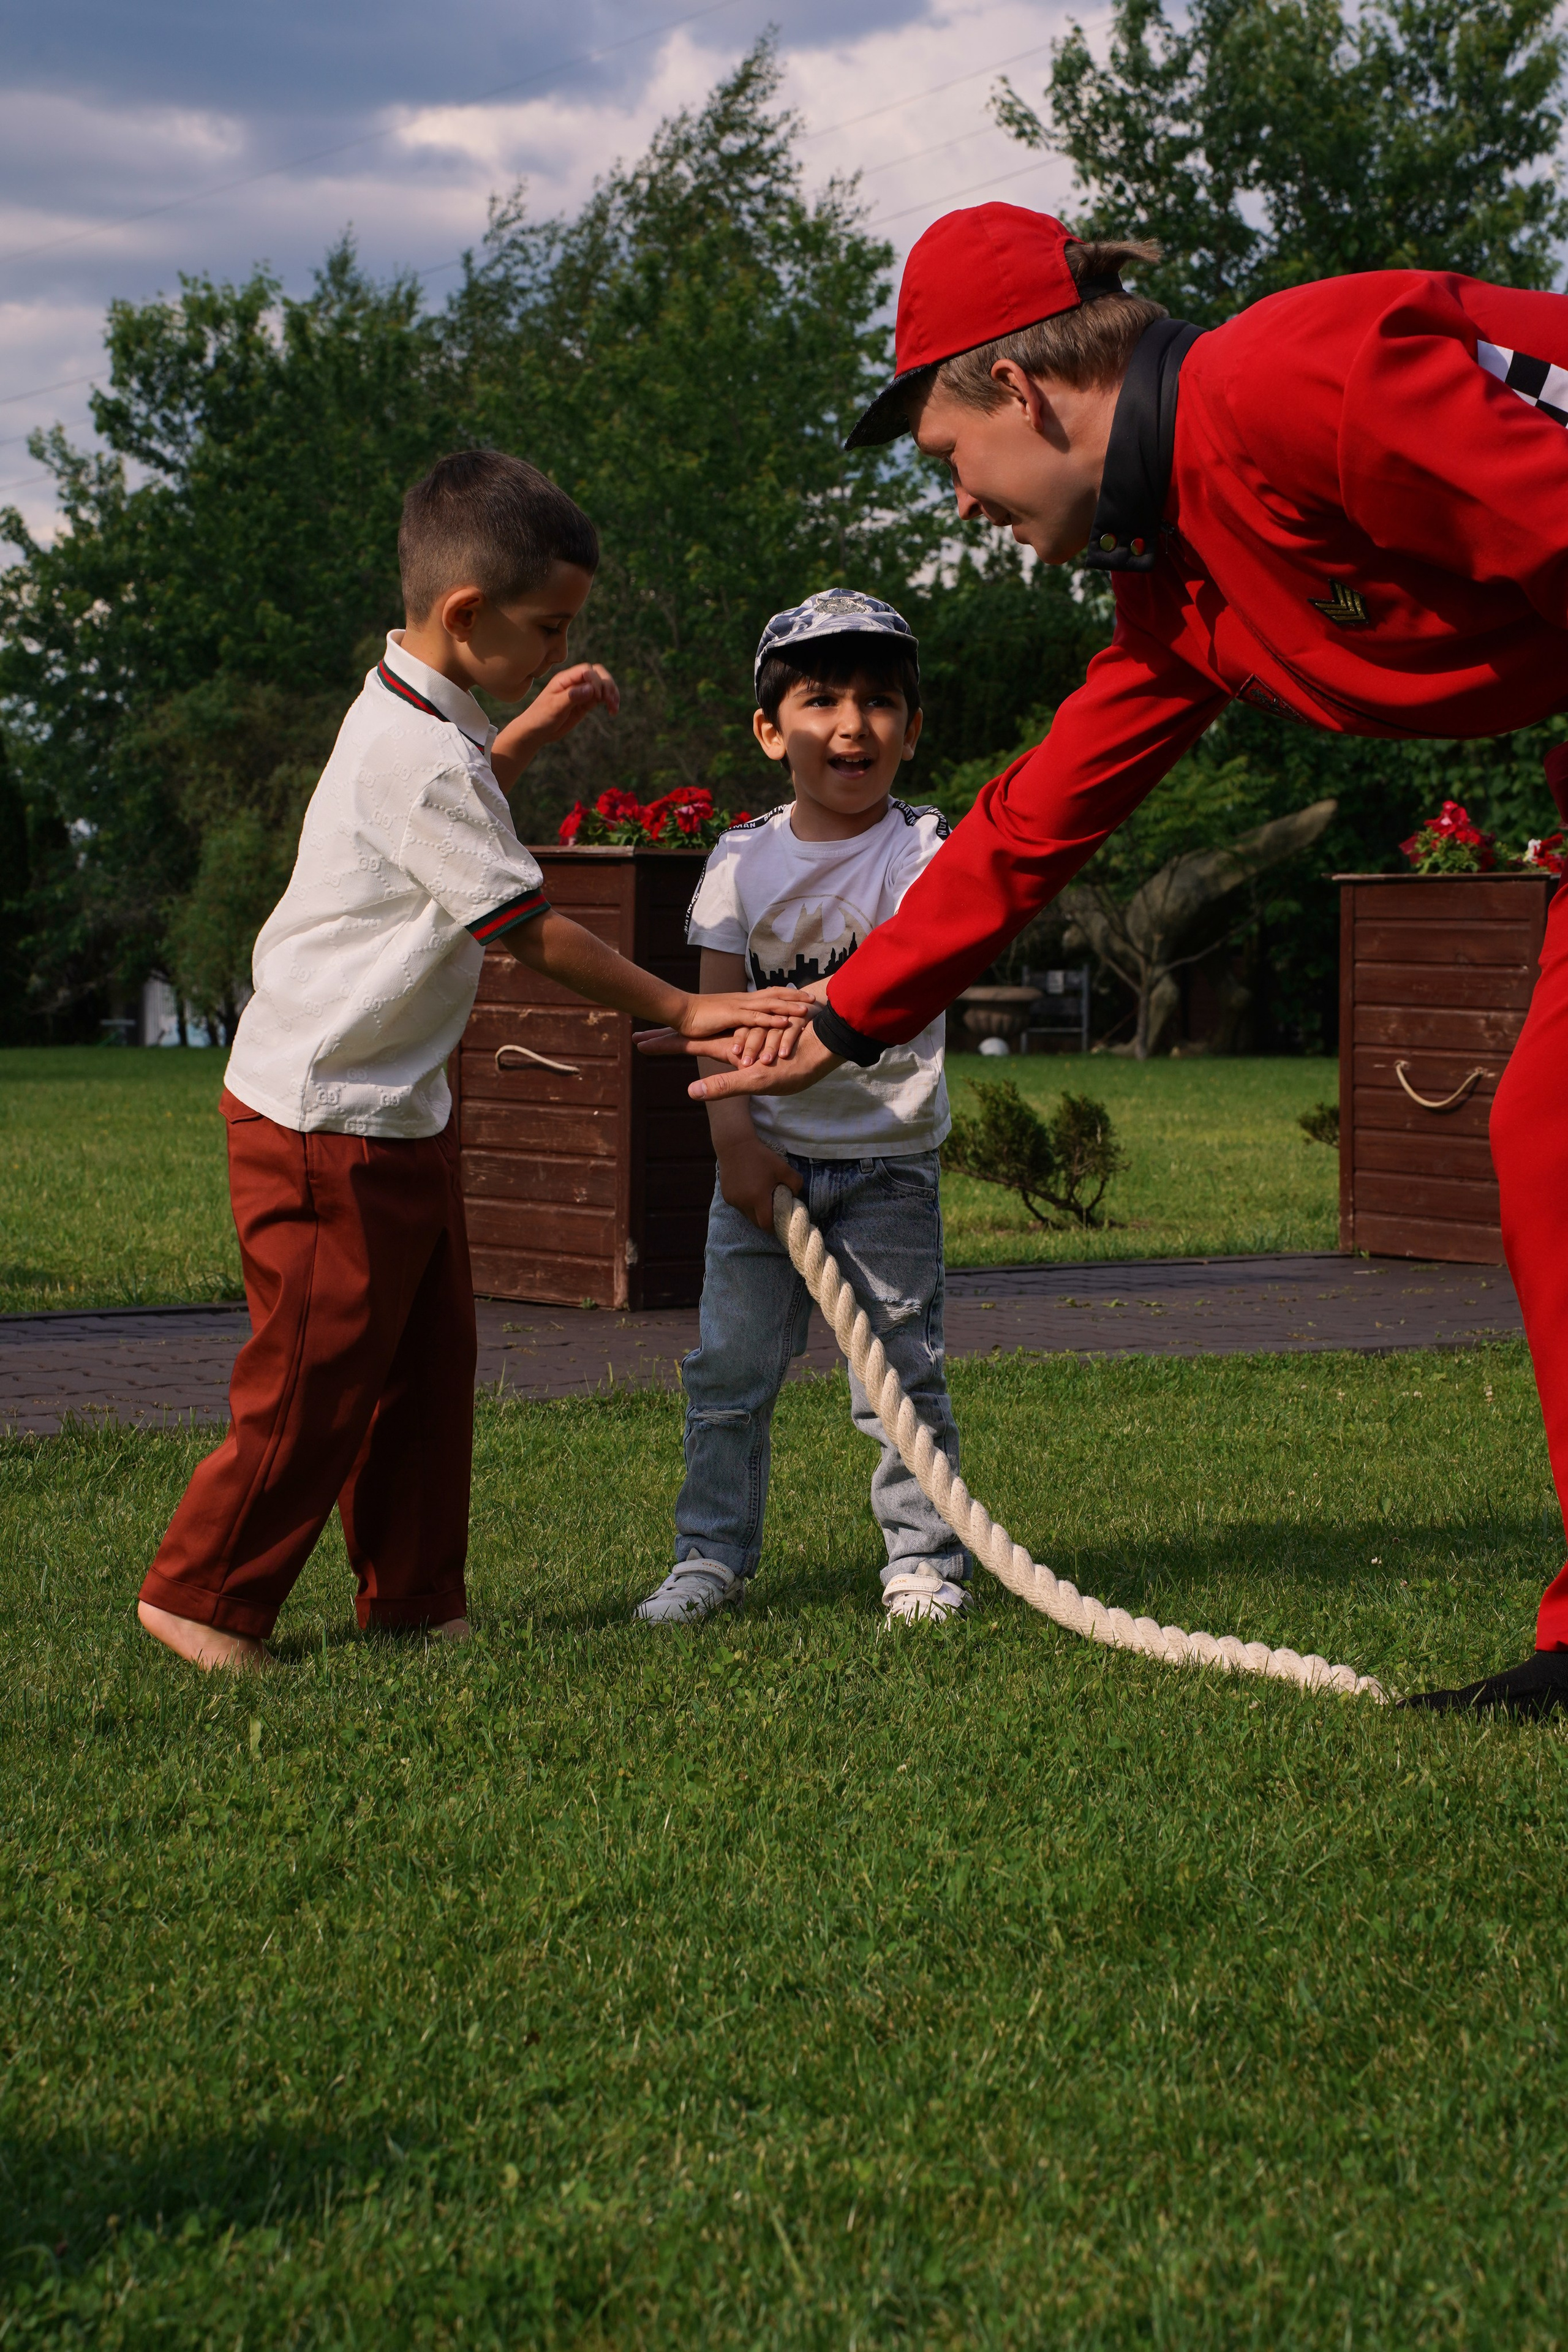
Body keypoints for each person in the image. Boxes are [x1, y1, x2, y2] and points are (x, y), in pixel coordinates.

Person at [654, 202, 1568, 1713]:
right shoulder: (1181, 581)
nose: (957, 504)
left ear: (1019, 388)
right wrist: (846, 1011)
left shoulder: (1287, 383)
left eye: (949, 460)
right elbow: (1028, 823)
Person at [138, 448, 805, 1673]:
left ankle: (413, 1601)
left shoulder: (420, 720)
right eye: (545, 631)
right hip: (323, 1116)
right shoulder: (420, 753)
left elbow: (443, 827)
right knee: (319, 1367)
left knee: (425, 1367)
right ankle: (201, 1595)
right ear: (463, 615)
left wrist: (527, 734)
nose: (555, 651)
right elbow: (526, 924)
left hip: (394, 1110)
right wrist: (680, 1006)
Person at [632, 587, 972, 1627]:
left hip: (886, 1164)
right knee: (728, 1371)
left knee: (899, 1379)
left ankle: (923, 1564)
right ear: (770, 732)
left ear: (913, 731)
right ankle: (711, 1558)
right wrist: (735, 1146)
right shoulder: (740, 860)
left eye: (878, 702)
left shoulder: (924, 850)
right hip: (764, 1166)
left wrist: (815, 1010)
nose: (850, 724)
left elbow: (921, 971)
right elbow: (713, 1020)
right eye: (820, 699)